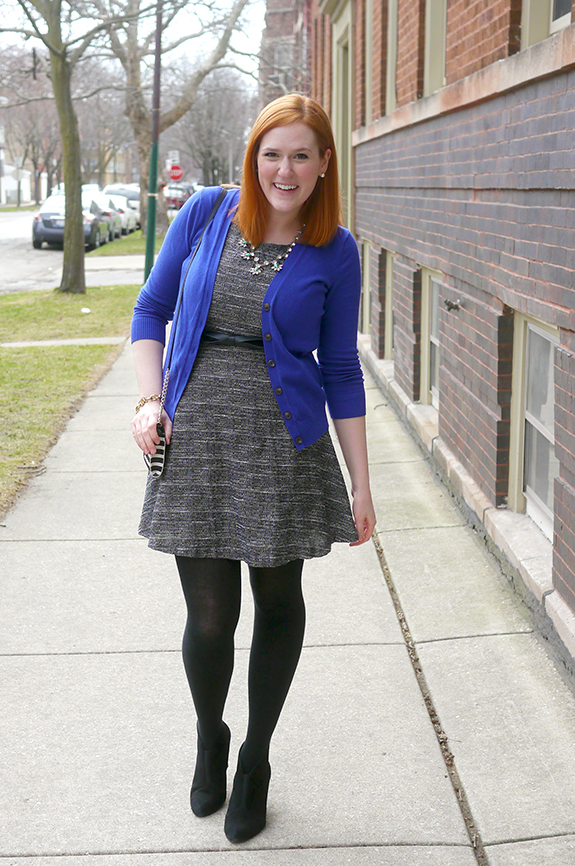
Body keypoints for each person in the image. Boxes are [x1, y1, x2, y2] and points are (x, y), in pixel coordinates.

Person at [130, 93, 376, 844]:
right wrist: (148, 400)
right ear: (253, 158)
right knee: (209, 616)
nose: (285, 170)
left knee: (277, 600)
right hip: (198, 437)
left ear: (325, 163)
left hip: (283, 445)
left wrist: (363, 482)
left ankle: (257, 758)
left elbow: (341, 367)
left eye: (301, 155)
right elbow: (150, 310)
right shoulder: (207, 212)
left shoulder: (336, 248)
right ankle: (211, 735)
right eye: (272, 154)